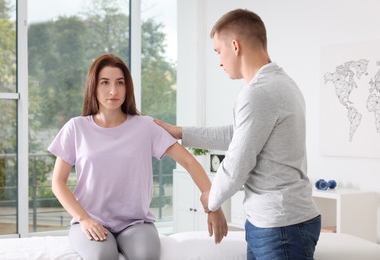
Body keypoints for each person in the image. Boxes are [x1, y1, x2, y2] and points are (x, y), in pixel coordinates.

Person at [154, 8, 321, 260]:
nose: (219, 61)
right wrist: (180, 133)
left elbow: (236, 165)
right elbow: (239, 134)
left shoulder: (258, 93)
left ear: (235, 45)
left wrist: (211, 200)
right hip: (276, 222)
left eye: (218, 51)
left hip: (280, 226)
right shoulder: (282, 83)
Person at [48, 53, 227, 260]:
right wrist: (84, 219)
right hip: (90, 219)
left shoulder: (146, 126)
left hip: (135, 223)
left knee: (146, 256)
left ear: (127, 88)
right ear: (93, 87)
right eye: (105, 82)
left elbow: (189, 161)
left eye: (120, 83)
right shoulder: (76, 128)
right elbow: (58, 183)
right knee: (102, 256)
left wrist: (213, 205)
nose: (113, 90)